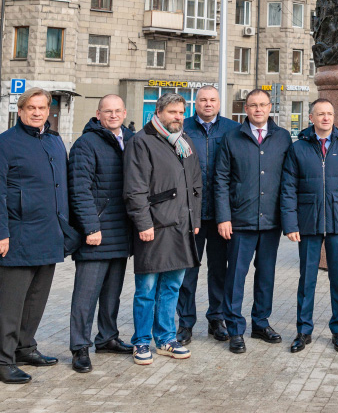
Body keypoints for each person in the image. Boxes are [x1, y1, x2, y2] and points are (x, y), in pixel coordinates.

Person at [0, 87, 77, 384]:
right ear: (20, 110)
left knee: (36, 299)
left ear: (49, 110)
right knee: (11, 303)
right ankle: (1, 361)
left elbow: (61, 188)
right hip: (17, 235)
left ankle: (25, 347)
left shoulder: (53, 141)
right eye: (31, 108)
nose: (37, 112)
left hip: (49, 234)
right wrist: (0, 234)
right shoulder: (2, 144)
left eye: (42, 107)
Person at [280, 98, 338, 354]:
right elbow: (288, 189)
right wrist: (290, 224)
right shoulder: (298, 149)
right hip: (308, 223)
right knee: (306, 279)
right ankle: (303, 331)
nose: (326, 118)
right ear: (311, 118)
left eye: (329, 113)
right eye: (320, 114)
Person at [123, 93, 202, 365]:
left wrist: (196, 220)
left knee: (172, 287)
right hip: (154, 228)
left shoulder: (185, 142)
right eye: (172, 112)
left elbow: (195, 184)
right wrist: (143, 224)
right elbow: (135, 189)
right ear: (158, 112)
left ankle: (166, 339)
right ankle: (141, 342)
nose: (178, 117)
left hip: (182, 226)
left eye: (181, 112)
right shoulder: (141, 142)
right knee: (146, 289)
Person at [214, 89, 292, 354]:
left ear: (271, 107)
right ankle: (235, 328)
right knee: (236, 276)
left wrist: (288, 219)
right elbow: (221, 180)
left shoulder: (282, 137)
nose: (258, 110)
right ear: (245, 109)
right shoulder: (231, 137)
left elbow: (289, 181)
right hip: (240, 221)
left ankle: (260, 322)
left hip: (271, 222)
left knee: (266, 276)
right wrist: (223, 217)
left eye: (262, 105)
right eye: (253, 105)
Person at [67, 95, 135, 373]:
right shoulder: (87, 144)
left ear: (125, 112)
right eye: (108, 111)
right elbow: (79, 189)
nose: (113, 115)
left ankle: (107, 337)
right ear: (98, 114)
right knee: (86, 294)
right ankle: (79, 347)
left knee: (112, 293)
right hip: (97, 232)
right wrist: (90, 227)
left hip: (122, 230)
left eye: (118, 110)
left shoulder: (132, 140)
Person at [177, 86, 240, 345]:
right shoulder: (182, 128)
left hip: (221, 214)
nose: (207, 104)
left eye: (212, 99)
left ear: (219, 102)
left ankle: (217, 318)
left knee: (219, 270)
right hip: (190, 214)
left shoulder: (231, 129)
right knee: (188, 269)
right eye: (203, 99)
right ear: (196, 102)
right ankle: (185, 323)